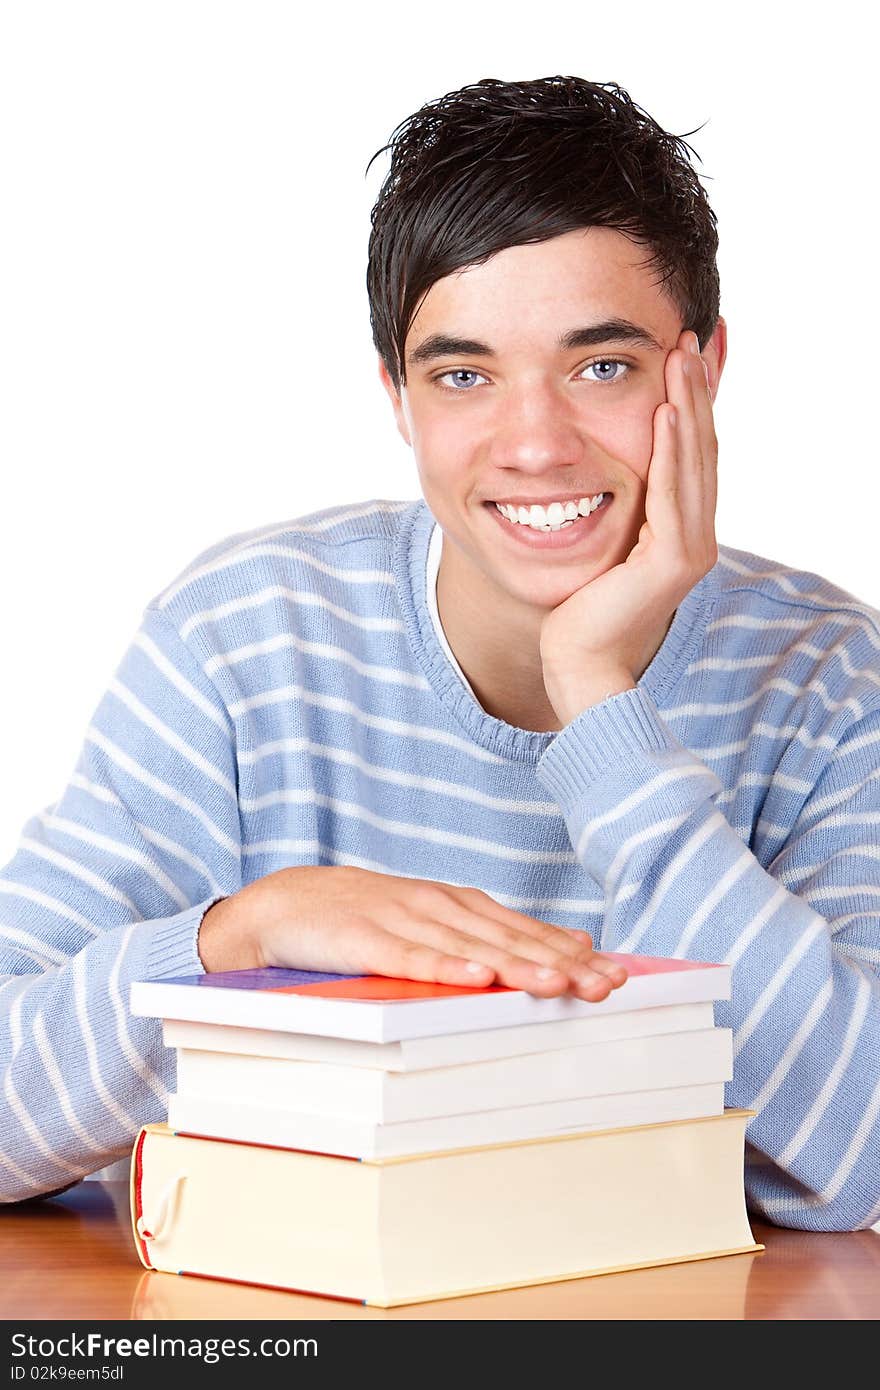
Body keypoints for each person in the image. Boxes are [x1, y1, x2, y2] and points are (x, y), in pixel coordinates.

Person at [1, 75, 878, 1231]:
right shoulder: (242, 639)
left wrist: (599, 706)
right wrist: (241, 934)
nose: (533, 443)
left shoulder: (826, 678)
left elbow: (855, 1155)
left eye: (599, 365)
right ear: (400, 401)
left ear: (700, 371)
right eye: (463, 375)